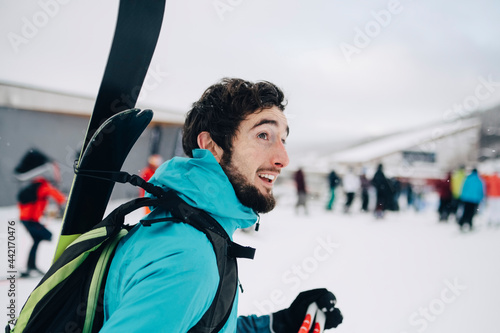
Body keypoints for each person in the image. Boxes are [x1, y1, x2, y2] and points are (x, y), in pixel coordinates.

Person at [101, 78, 343, 332]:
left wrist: (278, 325)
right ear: (211, 146)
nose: (283, 158)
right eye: (263, 135)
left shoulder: (193, 229)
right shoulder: (189, 259)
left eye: (283, 140)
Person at [14, 149, 66, 277]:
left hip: (26, 219)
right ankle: (32, 267)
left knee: (37, 240)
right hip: (30, 220)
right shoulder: (44, 186)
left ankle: (31, 266)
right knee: (47, 235)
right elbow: (60, 198)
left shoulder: (34, 185)